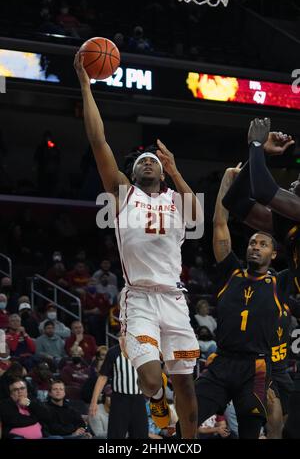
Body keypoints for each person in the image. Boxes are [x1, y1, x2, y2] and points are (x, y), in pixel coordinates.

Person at [74, 52, 202, 438]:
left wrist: (177, 169)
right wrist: (85, 82)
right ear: (131, 173)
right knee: (150, 379)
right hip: (140, 299)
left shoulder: (175, 201)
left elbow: (197, 214)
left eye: (154, 162)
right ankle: (156, 402)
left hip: (175, 301)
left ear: (162, 173)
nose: (148, 163)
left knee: (187, 385)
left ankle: (187, 443)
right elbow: (98, 139)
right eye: (142, 161)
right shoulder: (122, 195)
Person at [194, 166, 289, 439]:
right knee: (188, 421)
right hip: (222, 361)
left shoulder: (279, 283)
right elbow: (219, 224)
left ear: (273, 254)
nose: (255, 247)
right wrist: (226, 179)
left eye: (262, 244)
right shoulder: (231, 273)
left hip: (256, 367)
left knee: (249, 432)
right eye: (252, 243)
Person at [222, 119, 300, 437]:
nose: (293, 183)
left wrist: (257, 148)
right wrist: (258, 154)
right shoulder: (287, 221)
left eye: (296, 182)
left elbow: (266, 190)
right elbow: (236, 203)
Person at [89, 343, 148, 439]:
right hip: (120, 400)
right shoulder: (113, 352)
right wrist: (94, 401)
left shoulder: (145, 351)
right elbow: (103, 377)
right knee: (116, 435)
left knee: (141, 435)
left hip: (139, 400)